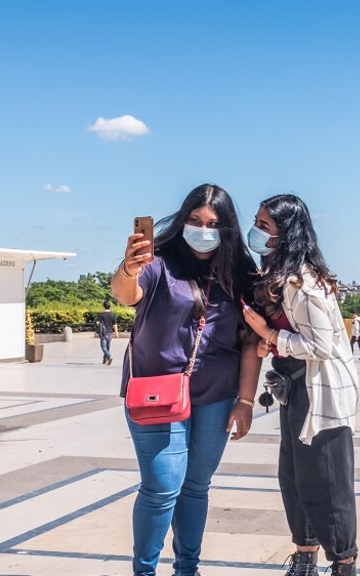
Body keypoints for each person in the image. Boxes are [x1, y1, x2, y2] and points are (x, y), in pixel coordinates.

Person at [112, 183, 262, 576]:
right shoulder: (159, 261)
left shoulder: (240, 272)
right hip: (156, 394)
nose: (202, 229)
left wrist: (245, 401)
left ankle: (188, 569)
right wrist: (129, 267)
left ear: (225, 229)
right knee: (162, 488)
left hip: (215, 396)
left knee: (195, 487)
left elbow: (249, 340)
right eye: (194, 220)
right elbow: (126, 295)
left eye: (212, 223)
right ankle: (144, 571)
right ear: (182, 221)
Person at [242, 194, 360, 576]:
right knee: (295, 477)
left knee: (327, 485)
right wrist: (271, 340)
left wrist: (269, 336)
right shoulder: (285, 276)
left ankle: (344, 564)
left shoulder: (303, 282)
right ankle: (305, 558)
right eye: (257, 222)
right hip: (295, 389)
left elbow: (323, 346)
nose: (257, 231)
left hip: (320, 394)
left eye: (265, 226)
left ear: (286, 233)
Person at [95, 300, 119, 365]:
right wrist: (116, 333)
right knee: (108, 347)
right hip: (110, 333)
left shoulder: (101, 315)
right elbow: (115, 325)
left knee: (103, 347)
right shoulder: (112, 315)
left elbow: (97, 323)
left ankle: (109, 356)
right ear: (110, 307)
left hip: (103, 333)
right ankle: (105, 360)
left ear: (103, 306)